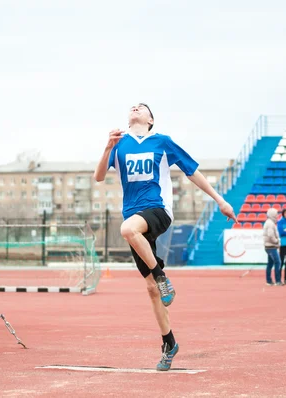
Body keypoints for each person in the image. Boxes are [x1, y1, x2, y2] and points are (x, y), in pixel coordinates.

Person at [93, 103, 237, 371]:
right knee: (151, 290)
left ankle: (162, 277)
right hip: (133, 215)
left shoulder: (162, 142)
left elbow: (192, 171)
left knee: (127, 230)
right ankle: (169, 342)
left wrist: (220, 200)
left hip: (158, 210)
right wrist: (106, 147)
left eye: (142, 107)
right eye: (132, 107)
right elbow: (99, 177)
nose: (135, 108)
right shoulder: (120, 144)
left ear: (150, 119)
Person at [263, 208, 282, 286]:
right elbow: (270, 235)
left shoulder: (269, 222)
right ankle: (277, 280)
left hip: (269, 246)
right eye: (276, 214)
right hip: (271, 246)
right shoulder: (270, 223)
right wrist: (276, 241)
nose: (277, 216)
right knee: (278, 262)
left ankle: (269, 280)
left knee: (270, 263)